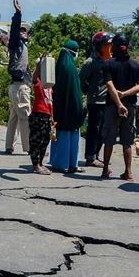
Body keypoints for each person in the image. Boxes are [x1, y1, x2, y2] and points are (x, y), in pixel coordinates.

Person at [100, 34, 139, 180]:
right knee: (127, 141)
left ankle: (105, 170)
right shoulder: (135, 65)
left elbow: (109, 85)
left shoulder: (108, 64)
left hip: (112, 106)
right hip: (130, 107)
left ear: (114, 47)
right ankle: (128, 172)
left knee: (109, 140)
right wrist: (125, 95)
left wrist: (119, 103)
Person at [49, 40, 86, 174]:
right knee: (73, 137)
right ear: (73, 52)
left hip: (61, 108)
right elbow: (75, 91)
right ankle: (71, 164)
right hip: (73, 108)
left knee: (62, 135)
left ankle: (60, 163)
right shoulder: (71, 68)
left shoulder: (61, 65)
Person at [79, 32, 112, 168]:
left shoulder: (108, 60)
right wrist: (89, 92)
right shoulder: (90, 62)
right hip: (95, 101)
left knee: (103, 131)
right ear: (99, 46)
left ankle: (96, 155)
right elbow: (80, 80)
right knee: (94, 129)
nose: (109, 47)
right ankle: (90, 157)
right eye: (106, 45)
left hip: (107, 101)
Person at [5, 0, 31, 154]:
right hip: (19, 87)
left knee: (14, 117)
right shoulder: (16, 43)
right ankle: (29, 147)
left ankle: (9, 146)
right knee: (25, 117)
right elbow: (14, 31)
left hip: (17, 86)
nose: (24, 32)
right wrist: (18, 14)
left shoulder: (23, 47)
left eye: (25, 31)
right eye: (21, 30)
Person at [29, 55, 53, 175]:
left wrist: (52, 117)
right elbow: (34, 76)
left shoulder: (49, 84)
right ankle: (35, 165)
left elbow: (51, 102)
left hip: (47, 115)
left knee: (45, 139)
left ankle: (40, 163)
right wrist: (39, 65)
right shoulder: (38, 81)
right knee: (36, 140)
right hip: (38, 114)